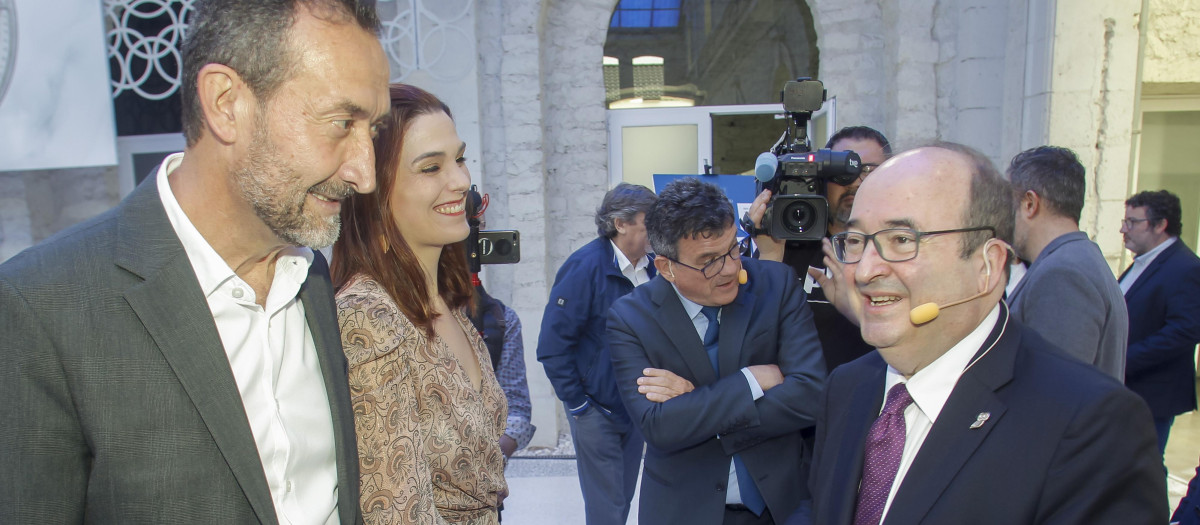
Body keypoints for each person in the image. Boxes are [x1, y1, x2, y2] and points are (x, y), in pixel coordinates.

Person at [0, 1, 388, 522]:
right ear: (226, 103)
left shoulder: (310, 274)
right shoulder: (42, 307)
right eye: (341, 123)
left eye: (373, 130)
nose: (365, 173)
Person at [809, 143, 1165, 524]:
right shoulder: (847, 387)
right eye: (856, 241)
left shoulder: (1092, 425)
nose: (865, 271)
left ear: (988, 265)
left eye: (901, 240)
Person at [332, 84, 507, 525]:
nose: (461, 181)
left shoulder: (447, 300)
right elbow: (395, 510)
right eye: (431, 167)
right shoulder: (366, 315)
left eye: (460, 159)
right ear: (375, 192)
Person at [608, 177, 825, 525]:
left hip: (781, 507)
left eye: (733, 249)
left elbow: (811, 395)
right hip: (684, 511)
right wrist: (750, 381)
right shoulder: (631, 318)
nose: (730, 269)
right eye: (708, 260)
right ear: (666, 268)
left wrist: (696, 405)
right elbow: (659, 427)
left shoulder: (776, 284)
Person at [536, 183, 657, 524]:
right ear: (621, 224)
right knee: (607, 511)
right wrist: (579, 406)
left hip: (637, 409)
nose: (657, 230)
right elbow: (552, 346)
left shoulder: (655, 269)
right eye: (649, 222)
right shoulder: (584, 267)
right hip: (595, 410)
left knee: (622, 502)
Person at [751, 126, 890, 373]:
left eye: (868, 170)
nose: (855, 182)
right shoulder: (785, 242)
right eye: (843, 171)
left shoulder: (905, 251)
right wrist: (770, 256)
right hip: (798, 393)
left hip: (878, 392)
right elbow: (755, 337)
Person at [1006, 145, 1128, 379]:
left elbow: (1053, 385)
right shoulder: (1075, 260)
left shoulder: (1062, 273)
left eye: (1007, 204)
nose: (1003, 217)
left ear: (1030, 203)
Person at [1119, 189, 1200, 456]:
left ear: (1160, 225)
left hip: (1153, 393)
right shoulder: (1143, 262)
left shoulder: (1185, 267)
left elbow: (1184, 331)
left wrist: (1123, 359)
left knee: (1144, 468)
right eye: (1125, 221)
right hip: (1126, 389)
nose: (1123, 229)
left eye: (1132, 222)